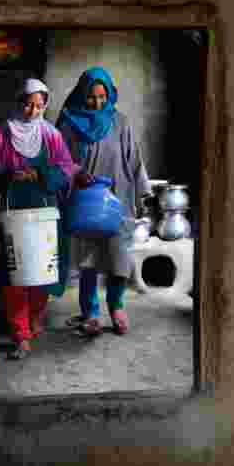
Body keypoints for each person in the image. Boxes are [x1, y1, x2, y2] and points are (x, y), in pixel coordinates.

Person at [0, 78, 79, 360]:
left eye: (39, 106)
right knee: (16, 274)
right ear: (19, 102)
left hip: (44, 211)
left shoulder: (50, 135)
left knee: (41, 271)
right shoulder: (3, 133)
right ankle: (20, 334)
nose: (33, 111)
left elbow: (65, 168)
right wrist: (10, 174)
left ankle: (34, 319)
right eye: (28, 104)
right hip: (12, 211)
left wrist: (39, 175)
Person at [56, 66, 152, 337]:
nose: (97, 103)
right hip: (84, 200)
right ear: (81, 94)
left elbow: (133, 157)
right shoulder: (68, 123)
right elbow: (59, 161)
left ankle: (117, 306)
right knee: (88, 259)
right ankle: (91, 313)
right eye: (91, 97)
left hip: (117, 198)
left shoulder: (120, 121)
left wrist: (143, 193)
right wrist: (75, 174)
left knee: (118, 256)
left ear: (109, 94)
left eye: (102, 96)